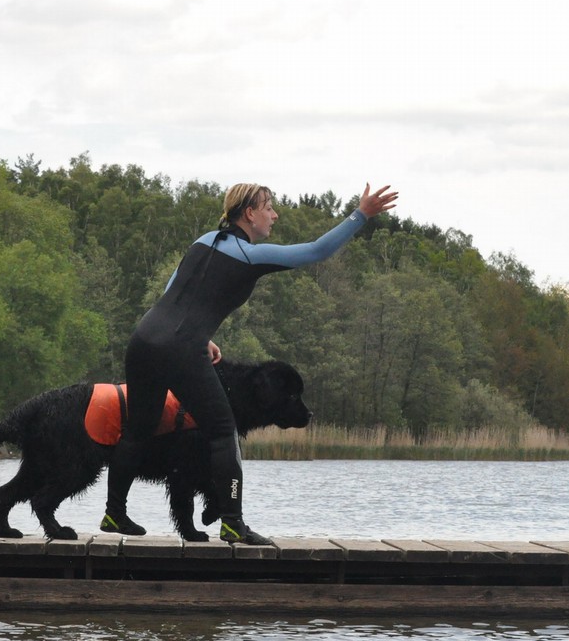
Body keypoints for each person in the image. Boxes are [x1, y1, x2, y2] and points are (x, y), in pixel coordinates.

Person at [101, 182, 398, 545]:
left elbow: (171, 290)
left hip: (145, 339)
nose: (274, 215)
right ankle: (232, 523)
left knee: (137, 431)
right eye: (268, 207)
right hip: (180, 346)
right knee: (223, 432)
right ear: (249, 214)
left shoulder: (204, 241)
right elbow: (317, 251)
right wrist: (361, 215)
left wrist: (200, 335)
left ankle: (113, 513)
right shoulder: (247, 255)